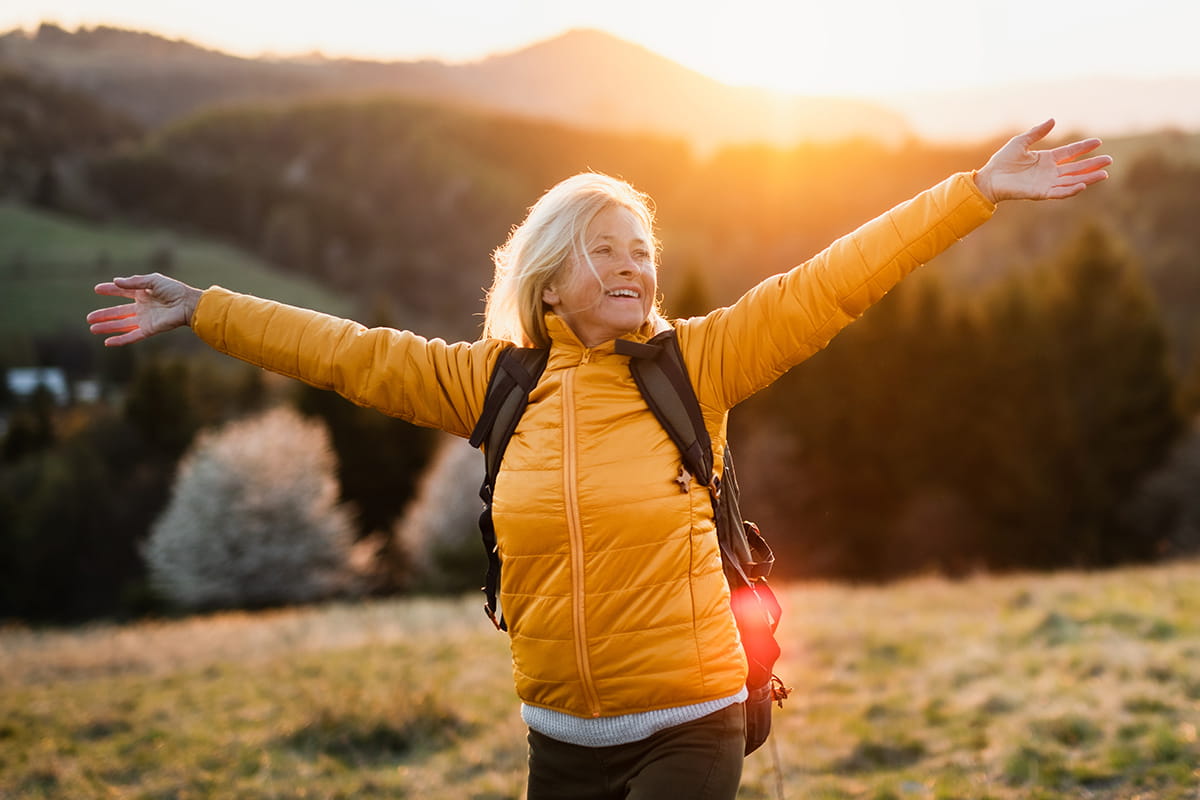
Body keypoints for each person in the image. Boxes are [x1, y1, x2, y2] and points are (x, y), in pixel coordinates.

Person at [88, 118, 1110, 799]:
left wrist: (971, 191)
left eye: (641, 249)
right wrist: (207, 310)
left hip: (692, 722)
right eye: (603, 249)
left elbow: (831, 281)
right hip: (560, 737)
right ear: (546, 280)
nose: (633, 265)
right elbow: (347, 353)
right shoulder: (492, 385)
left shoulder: (696, 364)